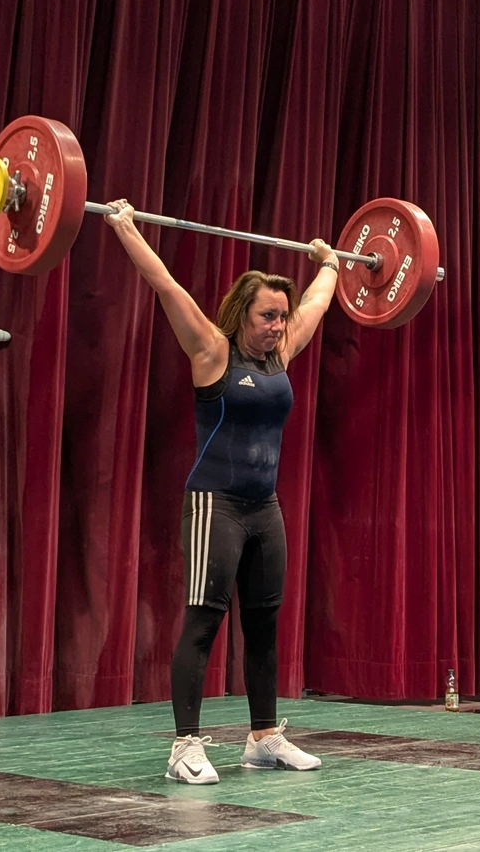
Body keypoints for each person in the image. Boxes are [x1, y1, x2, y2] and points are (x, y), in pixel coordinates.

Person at [105, 199, 336, 785]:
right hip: (216, 504)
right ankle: (184, 746)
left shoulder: (282, 352)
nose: (277, 324)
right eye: (266, 316)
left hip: (265, 508)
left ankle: (263, 737)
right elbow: (165, 284)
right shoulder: (211, 350)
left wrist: (331, 264)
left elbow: (316, 303)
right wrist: (125, 228)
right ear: (242, 314)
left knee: (264, 625)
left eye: (280, 316)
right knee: (204, 621)